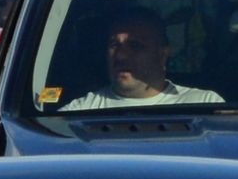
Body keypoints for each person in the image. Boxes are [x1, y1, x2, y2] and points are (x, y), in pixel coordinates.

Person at [59, 10, 224, 110]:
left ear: (162, 55)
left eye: (135, 46)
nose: (121, 55)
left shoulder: (204, 105)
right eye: (114, 45)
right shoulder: (80, 112)